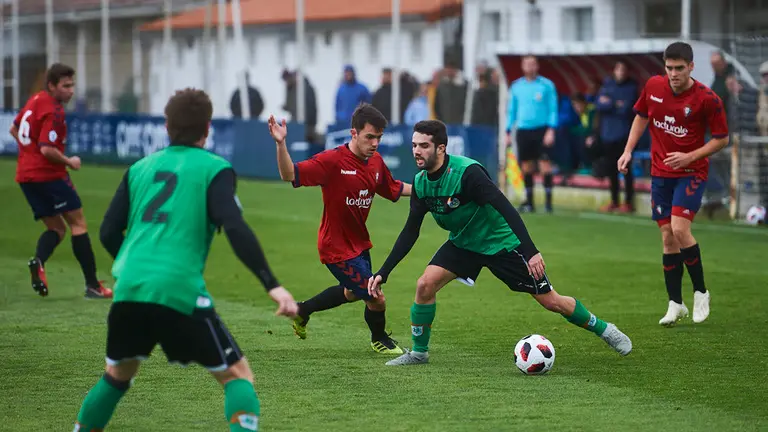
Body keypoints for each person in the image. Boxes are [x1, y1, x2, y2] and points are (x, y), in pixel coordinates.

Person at [73, 88, 299, 431]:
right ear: (207, 128)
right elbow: (234, 226)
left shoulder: (139, 168)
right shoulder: (215, 169)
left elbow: (106, 232)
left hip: (130, 287)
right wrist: (273, 285)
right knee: (238, 376)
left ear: (167, 125)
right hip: (178, 289)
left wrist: (140, 269)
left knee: (117, 375)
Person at [367, 119, 632, 366]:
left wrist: (530, 252)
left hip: (501, 243)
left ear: (441, 148)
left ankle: (605, 329)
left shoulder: (467, 173)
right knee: (425, 284)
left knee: (551, 301)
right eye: (414, 145)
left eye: (423, 146)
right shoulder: (421, 183)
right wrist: (384, 272)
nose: (416, 151)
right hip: (464, 243)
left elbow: (505, 208)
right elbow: (410, 231)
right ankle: (419, 353)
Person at [268, 103, 412, 354]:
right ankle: (379, 339)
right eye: (369, 137)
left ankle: (302, 311)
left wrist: (430, 189)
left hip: (358, 243)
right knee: (375, 296)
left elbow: (395, 188)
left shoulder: (376, 162)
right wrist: (281, 144)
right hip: (335, 247)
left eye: (379, 137)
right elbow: (289, 174)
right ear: (353, 133)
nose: (375, 143)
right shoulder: (332, 161)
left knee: (353, 292)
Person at [618, 41, 729, 326]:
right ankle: (675, 303)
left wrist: (690, 155)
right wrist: (628, 150)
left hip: (692, 172)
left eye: (680, 68)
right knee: (667, 237)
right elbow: (641, 116)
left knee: (680, 229)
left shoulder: (707, 98)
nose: (674, 73)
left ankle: (701, 292)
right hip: (660, 174)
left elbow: (722, 138)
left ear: (691, 67)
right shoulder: (654, 87)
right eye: (669, 68)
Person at [10, 63, 112, 299]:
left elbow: (14, 129)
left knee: (56, 228)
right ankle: (93, 286)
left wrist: (28, 153)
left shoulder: (35, 99)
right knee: (78, 225)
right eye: (65, 86)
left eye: (72, 85)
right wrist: (69, 161)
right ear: (52, 86)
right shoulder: (54, 111)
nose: (71, 91)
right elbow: (47, 149)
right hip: (49, 176)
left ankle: (39, 261)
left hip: (25, 176)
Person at [506, 55, 559, 213]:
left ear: (537, 66)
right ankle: (530, 202)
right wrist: (508, 131)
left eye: (532, 64)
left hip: (542, 129)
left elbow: (553, 108)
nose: (530, 67)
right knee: (527, 166)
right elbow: (511, 111)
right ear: (523, 67)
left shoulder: (546, 85)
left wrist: (551, 130)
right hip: (523, 130)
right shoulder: (516, 86)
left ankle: (548, 203)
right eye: (527, 64)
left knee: (545, 164)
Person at [595, 61, 639, 213]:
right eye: (618, 69)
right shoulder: (607, 85)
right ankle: (614, 200)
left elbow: (627, 109)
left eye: (623, 69)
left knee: (626, 169)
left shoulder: (631, 88)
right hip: (608, 135)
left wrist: (610, 103)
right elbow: (599, 105)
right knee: (611, 169)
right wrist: (616, 104)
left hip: (624, 135)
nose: (620, 72)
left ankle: (628, 202)